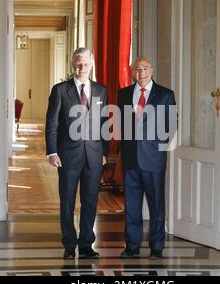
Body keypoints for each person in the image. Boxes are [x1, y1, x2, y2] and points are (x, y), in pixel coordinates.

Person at [45, 48, 108, 259]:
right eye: (78, 64)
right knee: (68, 202)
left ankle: (86, 245)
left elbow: (104, 123)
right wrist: (52, 152)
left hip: (93, 154)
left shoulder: (101, 90)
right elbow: (52, 123)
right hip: (67, 156)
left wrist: (104, 152)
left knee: (90, 201)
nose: (82, 68)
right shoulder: (60, 90)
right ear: (73, 65)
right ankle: (69, 246)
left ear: (92, 65)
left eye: (86, 64)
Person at [118, 57, 177, 260]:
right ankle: (132, 247)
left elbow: (170, 126)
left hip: (153, 159)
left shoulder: (166, 95)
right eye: (136, 69)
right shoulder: (124, 94)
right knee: (131, 206)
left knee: (156, 205)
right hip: (130, 159)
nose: (140, 72)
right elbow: (121, 125)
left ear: (151, 70)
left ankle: (156, 247)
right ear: (132, 72)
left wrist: (156, 147)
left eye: (144, 68)